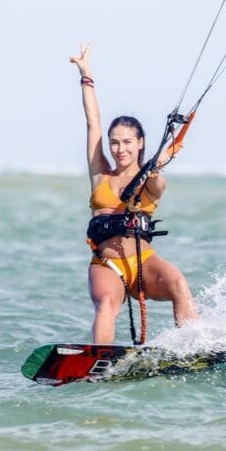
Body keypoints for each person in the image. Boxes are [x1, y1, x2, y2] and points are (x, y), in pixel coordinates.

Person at [70, 42, 199, 344]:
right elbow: (93, 123)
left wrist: (152, 171)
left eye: (128, 142)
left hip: (143, 264)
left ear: (140, 143)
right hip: (108, 265)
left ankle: (194, 348)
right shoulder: (100, 173)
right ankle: (100, 360)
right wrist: (86, 76)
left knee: (178, 283)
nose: (120, 148)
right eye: (115, 142)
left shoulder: (152, 181)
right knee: (106, 305)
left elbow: (158, 185)